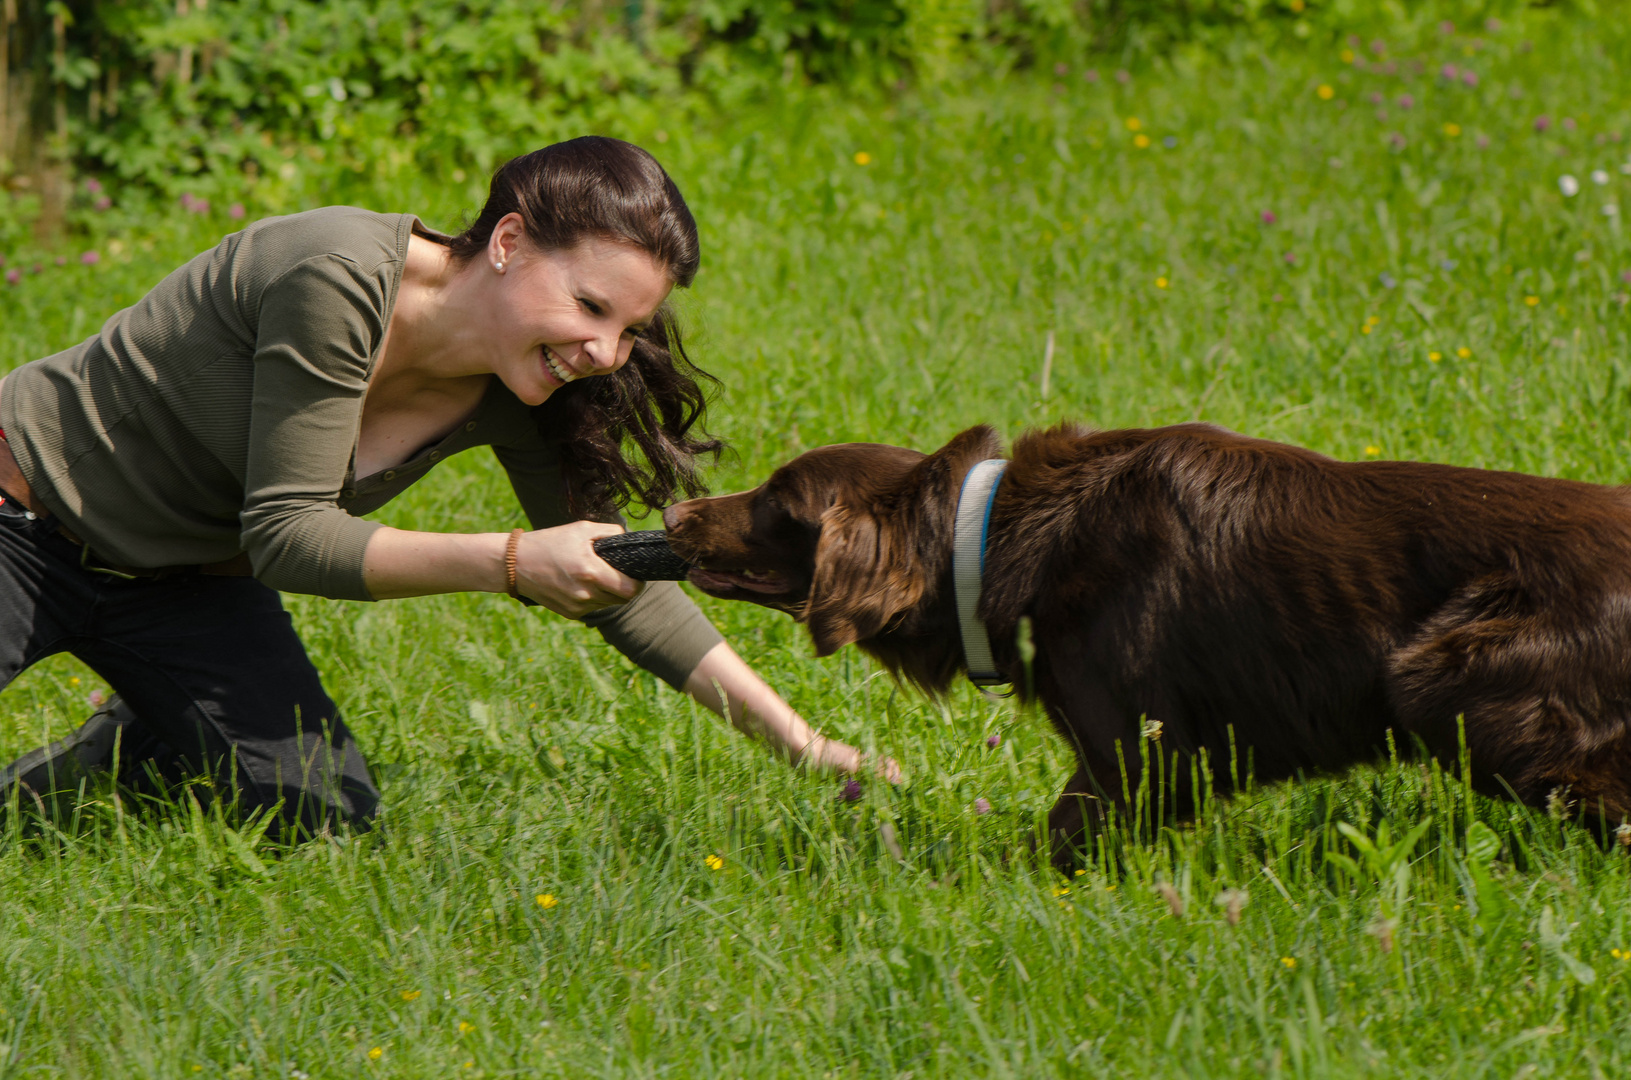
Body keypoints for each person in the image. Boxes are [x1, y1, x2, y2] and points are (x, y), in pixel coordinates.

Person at [0, 136, 885, 833]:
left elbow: (621, 582)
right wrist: (510, 562)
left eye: (627, 327)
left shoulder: (523, 385)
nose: (606, 354)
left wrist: (801, 742)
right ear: (507, 242)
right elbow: (289, 535)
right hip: (24, 520)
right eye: (589, 307)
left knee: (321, 814)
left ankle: (121, 752)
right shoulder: (335, 275)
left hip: (184, 589)